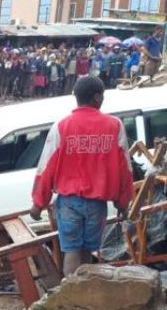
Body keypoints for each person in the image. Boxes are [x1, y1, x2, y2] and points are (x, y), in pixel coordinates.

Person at [30, 77, 133, 277]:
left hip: (69, 203)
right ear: (97, 97)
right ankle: (85, 294)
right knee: (87, 252)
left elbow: (45, 168)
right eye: (102, 95)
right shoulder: (114, 126)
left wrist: (38, 204)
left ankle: (70, 295)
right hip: (97, 204)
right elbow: (125, 170)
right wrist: (123, 203)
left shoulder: (61, 127)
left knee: (71, 251)